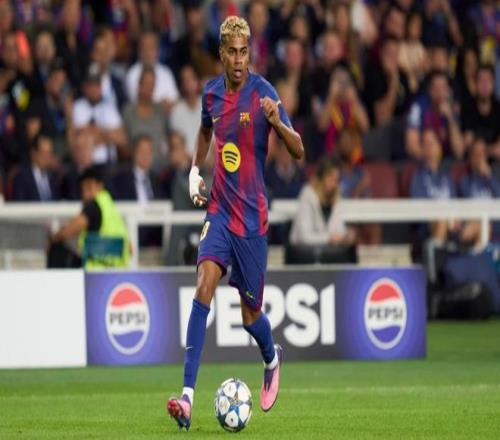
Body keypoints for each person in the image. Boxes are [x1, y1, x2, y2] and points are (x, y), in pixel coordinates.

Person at [167, 16, 303, 430]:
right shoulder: (211, 94)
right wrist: (195, 171)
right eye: (233, 52)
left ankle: (271, 358)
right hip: (220, 211)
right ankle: (187, 398)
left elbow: (298, 150)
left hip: (253, 220)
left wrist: (276, 122)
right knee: (204, 285)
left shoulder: (264, 94)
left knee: (249, 316)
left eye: (245, 52)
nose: (240, 59)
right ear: (222, 54)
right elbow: (205, 131)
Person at [49, 165, 130, 269]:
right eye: (83, 189)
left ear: (100, 185)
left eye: (89, 187)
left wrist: (53, 239)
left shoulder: (93, 206)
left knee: (57, 248)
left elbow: (68, 232)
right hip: (118, 271)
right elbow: (130, 247)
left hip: (94, 270)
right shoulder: (110, 206)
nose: (86, 193)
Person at [289, 156, 356, 247]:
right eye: (330, 177)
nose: (334, 183)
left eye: (336, 179)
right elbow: (304, 237)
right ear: (321, 177)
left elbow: (338, 230)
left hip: (326, 252)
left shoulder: (336, 197)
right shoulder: (307, 194)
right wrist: (329, 238)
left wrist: (346, 236)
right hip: (303, 252)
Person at [72, 63, 128, 164]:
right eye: (90, 85)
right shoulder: (77, 106)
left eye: (97, 85)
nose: (94, 89)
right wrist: (109, 134)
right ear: (84, 87)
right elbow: (80, 137)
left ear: (101, 87)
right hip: (86, 164)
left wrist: (98, 132)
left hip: (109, 164)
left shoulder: (109, 108)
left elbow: (121, 138)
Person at [122, 66, 168, 170]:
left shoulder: (160, 111)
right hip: (136, 166)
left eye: (152, 84)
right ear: (139, 84)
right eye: (146, 84)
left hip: (160, 166)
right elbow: (124, 144)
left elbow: (168, 139)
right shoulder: (128, 111)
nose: (149, 88)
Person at [12, 133, 58, 202]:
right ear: (33, 153)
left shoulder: (53, 177)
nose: (47, 157)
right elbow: (19, 204)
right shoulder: (22, 178)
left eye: (49, 153)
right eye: (44, 153)